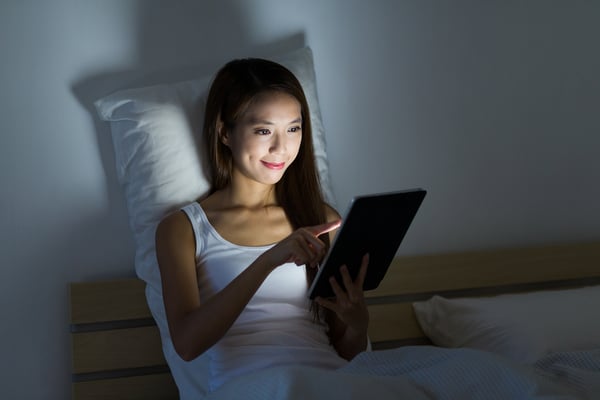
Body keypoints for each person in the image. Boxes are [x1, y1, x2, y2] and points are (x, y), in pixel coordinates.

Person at [155, 57, 370, 393]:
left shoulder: (322, 219)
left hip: (329, 381)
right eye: (263, 130)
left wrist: (357, 325)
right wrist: (269, 259)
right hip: (248, 386)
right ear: (225, 132)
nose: (281, 148)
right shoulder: (183, 229)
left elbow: (344, 350)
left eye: (293, 129)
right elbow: (187, 344)